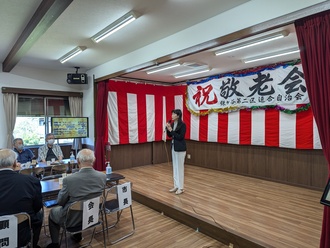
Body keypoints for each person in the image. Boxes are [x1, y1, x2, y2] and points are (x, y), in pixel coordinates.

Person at [46, 149, 107, 248]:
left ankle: (55, 244)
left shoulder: (69, 180)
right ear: (94, 160)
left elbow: (60, 202)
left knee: (53, 212)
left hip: (71, 219)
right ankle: (77, 235)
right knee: (81, 205)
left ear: (78, 161)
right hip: (92, 215)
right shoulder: (102, 176)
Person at [0, 149, 43, 248]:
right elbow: (37, 206)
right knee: (39, 214)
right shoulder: (31, 181)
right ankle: (34, 244)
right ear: (15, 163)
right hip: (23, 229)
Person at [166, 109, 187, 195]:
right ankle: (176, 185)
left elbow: (180, 137)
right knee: (175, 167)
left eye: (174, 114)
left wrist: (171, 130)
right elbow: (170, 135)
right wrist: (168, 128)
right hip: (173, 147)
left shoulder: (182, 125)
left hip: (180, 148)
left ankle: (181, 187)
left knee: (180, 168)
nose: (172, 115)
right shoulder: (172, 123)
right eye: (172, 114)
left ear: (178, 115)